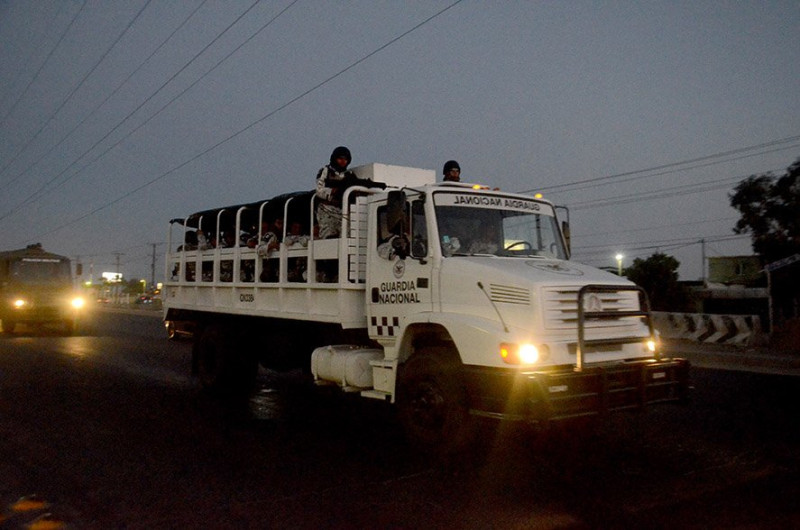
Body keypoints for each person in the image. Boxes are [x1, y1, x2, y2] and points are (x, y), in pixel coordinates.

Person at [315, 146, 358, 239]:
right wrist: (333, 192)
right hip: (326, 209)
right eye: (340, 158)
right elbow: (319, 190)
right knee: (329, 236)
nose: (343, 161)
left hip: (343, 211)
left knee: (347, 238)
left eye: (346, 159)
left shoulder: (349, 175)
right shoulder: (326, 171)